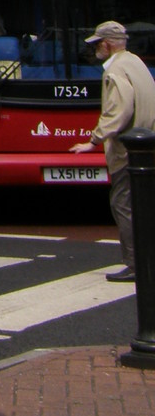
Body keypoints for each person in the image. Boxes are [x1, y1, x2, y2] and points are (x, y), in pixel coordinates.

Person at [70, 20, 155, 280]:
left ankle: (135, 264)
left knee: (123, 205)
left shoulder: (114, 71)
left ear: (107, 45)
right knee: (144, 206)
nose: (95, 49)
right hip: (147, 146)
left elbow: (118, 110)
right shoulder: (136, 63)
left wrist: (93, 141)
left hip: (126, 152)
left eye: (97, 44)